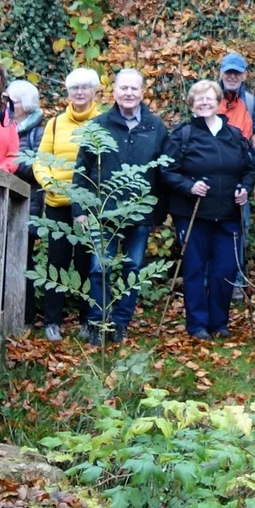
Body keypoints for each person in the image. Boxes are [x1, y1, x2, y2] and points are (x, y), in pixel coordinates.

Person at [77, 69, 168, 344]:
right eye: (123, 88)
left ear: (143, 92)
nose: (129, 93)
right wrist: (79, 209)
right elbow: (82, 169)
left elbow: (162, 176)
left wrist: (158, 214)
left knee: (132, 271)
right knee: (98, 268)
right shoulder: (98, 125)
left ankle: (120, 324)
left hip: (140, 215)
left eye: (134, 89)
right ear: (113, 91)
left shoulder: (156, 127)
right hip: (103, 212)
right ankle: (96, 323)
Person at [163, 81, 255, 338]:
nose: (204, 103)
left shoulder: (234, 135)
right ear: (191, 104)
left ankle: (219, 323)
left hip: (228, 215)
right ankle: (197, 324)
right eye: (199, 99)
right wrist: (189, 187)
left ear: (218, 102)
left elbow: (248, 170)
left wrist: (245, 189)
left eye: (209, 99)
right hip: (193, 214)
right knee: (194, 269)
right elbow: (167, 171)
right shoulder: (183, 135)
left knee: (225, 270)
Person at [33, 68, 102, 341]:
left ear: (95, 91)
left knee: (86, 264)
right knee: (57, 262)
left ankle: (87, 321)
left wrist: (86, 196)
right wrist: (52, 185)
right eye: (75, 88)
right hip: (58, 203)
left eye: (85, 87)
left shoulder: (102, 122)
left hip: (87, 207)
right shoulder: (54, 124)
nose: (80, 93)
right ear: (68, 92)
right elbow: (41, 160)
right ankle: (52, 322)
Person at [216, 53, 255, 301]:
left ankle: (236, 282)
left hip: (239, 176)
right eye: (228, 72)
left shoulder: (251, 103)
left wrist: (253, 159)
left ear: (244, 75)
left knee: (239, 228)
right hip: (212, 175)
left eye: (237, 73)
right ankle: (211, 279)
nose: (232, 77)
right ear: (221, 73)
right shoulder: (210, 96)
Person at [7, 80, 47, 328]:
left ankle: (25, 317)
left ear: (26, 104)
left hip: (27, 205)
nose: (10, 105)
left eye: (14, 101)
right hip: (3, 204)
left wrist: (10, 164)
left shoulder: (37, 131)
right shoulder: (3, 126)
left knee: (24, 263)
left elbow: (39, 168)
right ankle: (5, 312)